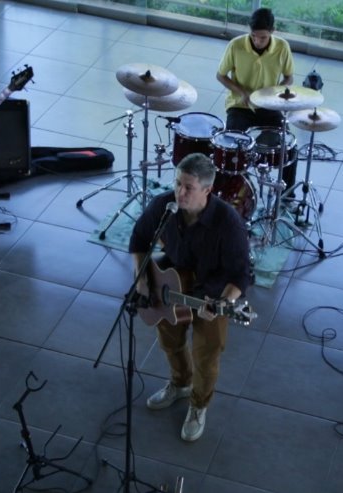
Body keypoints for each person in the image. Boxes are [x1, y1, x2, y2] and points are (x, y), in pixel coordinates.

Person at [129, 153, 251, 441]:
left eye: (189, 187)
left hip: (211, 294)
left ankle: (198, 405)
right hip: (170, 284)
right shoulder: (164, 206)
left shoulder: (228, 223)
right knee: (170, 342)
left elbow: (241, 276)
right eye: (178, 183)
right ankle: (180, 383)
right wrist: (142, 277)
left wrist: (225, 304)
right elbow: (138, 238)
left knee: (206, 356)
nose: (180, 193)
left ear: (207, 190)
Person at [216, 7, 298, 200]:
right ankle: (231, 193)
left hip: (269, 107)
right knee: (232, 147)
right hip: (240, 106)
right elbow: (220, 75)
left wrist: (274, 93)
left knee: (289, 147)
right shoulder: (235, 45)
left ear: (273, 32)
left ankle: (287, 196)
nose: (257, 41)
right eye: (254, 36)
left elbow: (289, 77)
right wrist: (242, 92)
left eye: (262, 37)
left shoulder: (282, 47)